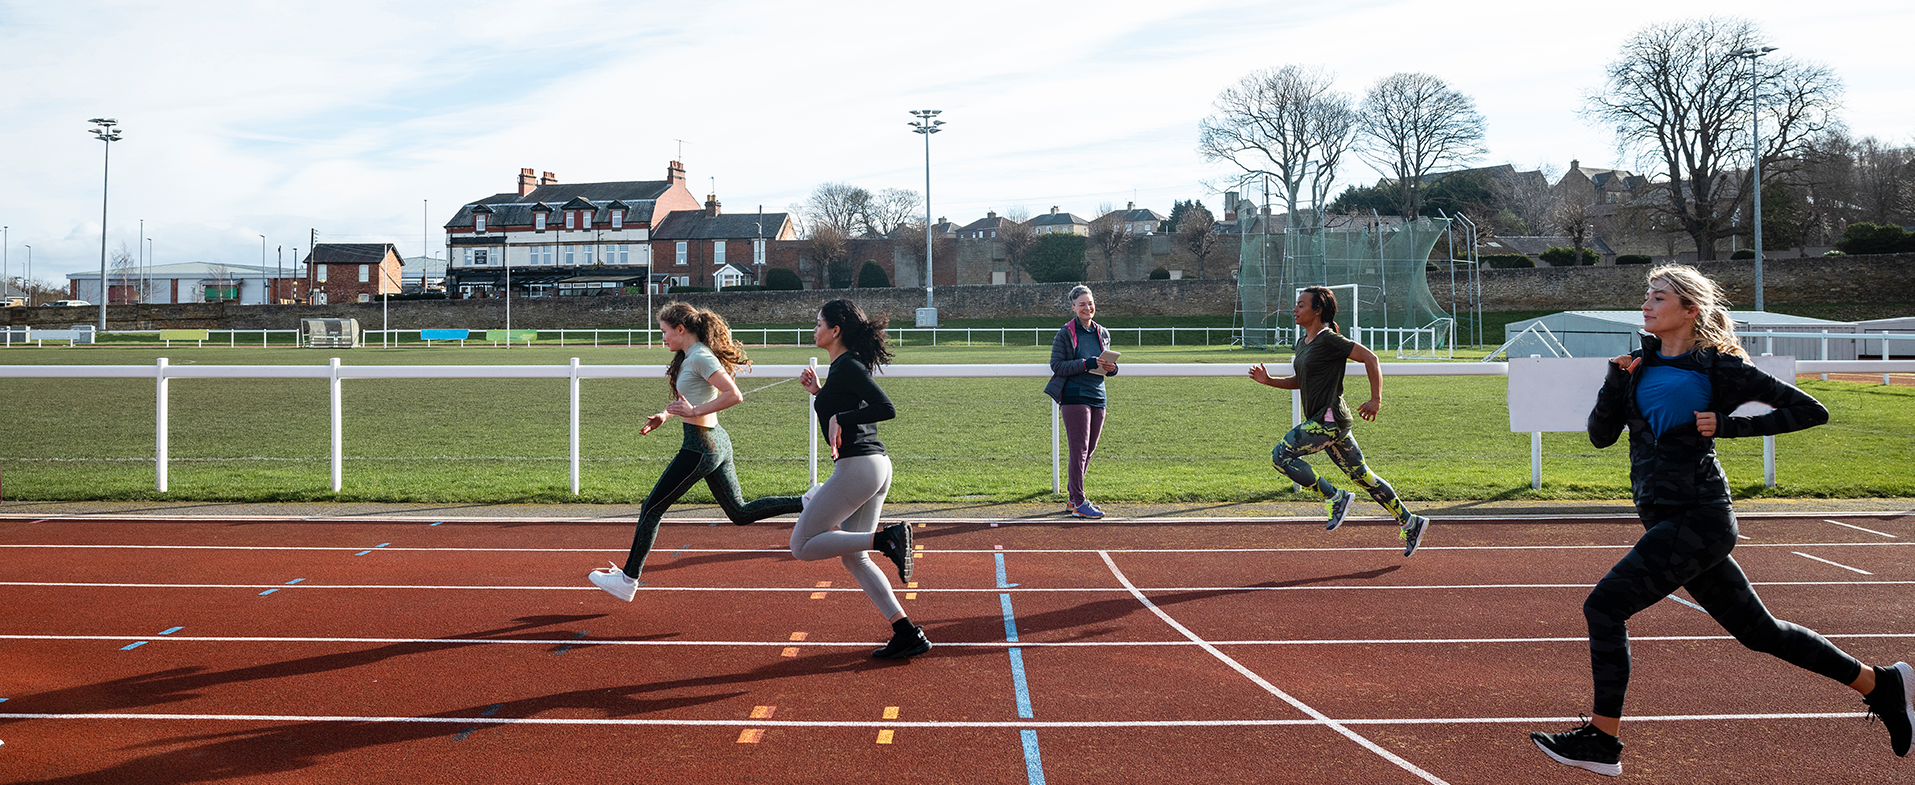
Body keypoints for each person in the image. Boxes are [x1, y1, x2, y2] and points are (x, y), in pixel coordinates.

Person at [1530, 265, 1913, 776]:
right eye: (1646, 295)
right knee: (1760, 632)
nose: (1647, 304)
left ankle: (1602, 739)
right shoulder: (1636, 367)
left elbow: (1809, 411)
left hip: (1701, 516)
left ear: (1690, 310)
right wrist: (1612, 382)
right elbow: (1601, 436)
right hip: (1665, 520)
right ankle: (1881, 684)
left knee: (1604, 606)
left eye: (1659, 296)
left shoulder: (1719, 369)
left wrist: (1730, 426)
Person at [588, 303, 803, 601]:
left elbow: (733, 395)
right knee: (739, 513)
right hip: (714, 440)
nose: (662, 338)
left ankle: (628, 579)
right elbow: (689, 399)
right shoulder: (689, 356)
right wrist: (666, 414)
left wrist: (694, 410)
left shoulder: (700, 356)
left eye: (664, 332)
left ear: (680, 329)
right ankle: (807, 500)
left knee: (651, 508)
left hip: (700, 446)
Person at [1248, 286, 1431, 556]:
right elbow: (1302, 381)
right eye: (1296, 305)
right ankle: (1410, 522)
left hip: (1330, 420)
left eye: (1301, 305)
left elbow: (1371, 357)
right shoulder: (1303, 343)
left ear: (1317, 310)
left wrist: (1375, 399)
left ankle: (1336, 497)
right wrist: (1269, 381)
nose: (1294, 310)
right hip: (1329, 422)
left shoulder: (1329, 339)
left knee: (1281, 455)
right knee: (1363, 477)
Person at [791, 299, 927, 660]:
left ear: (836, 330)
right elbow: (849, 405)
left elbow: (886, 408)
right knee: (855, 559)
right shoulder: (841, 370)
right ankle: (906, 632)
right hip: (873, 467)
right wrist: (820, 395)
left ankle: (887, 538)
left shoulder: (849, 365)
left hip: (860, 468)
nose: (815, 329)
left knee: (801, 546)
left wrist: (842, 418)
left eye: (819, 323)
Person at [1043, 284, 1119, 519]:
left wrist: (1112, 368)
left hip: (1098, 395)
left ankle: (1073, 498)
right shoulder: (1065, 333)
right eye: (1082, 304)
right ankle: (1078, 500)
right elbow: (1056, 366)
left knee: (1089, 451)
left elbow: (1109, 368)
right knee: (1079, 450)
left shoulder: (1102, 332)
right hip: (1075, 396)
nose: (1088, 307)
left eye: (1090, 303)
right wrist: (1086, 363)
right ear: (1074, 307)